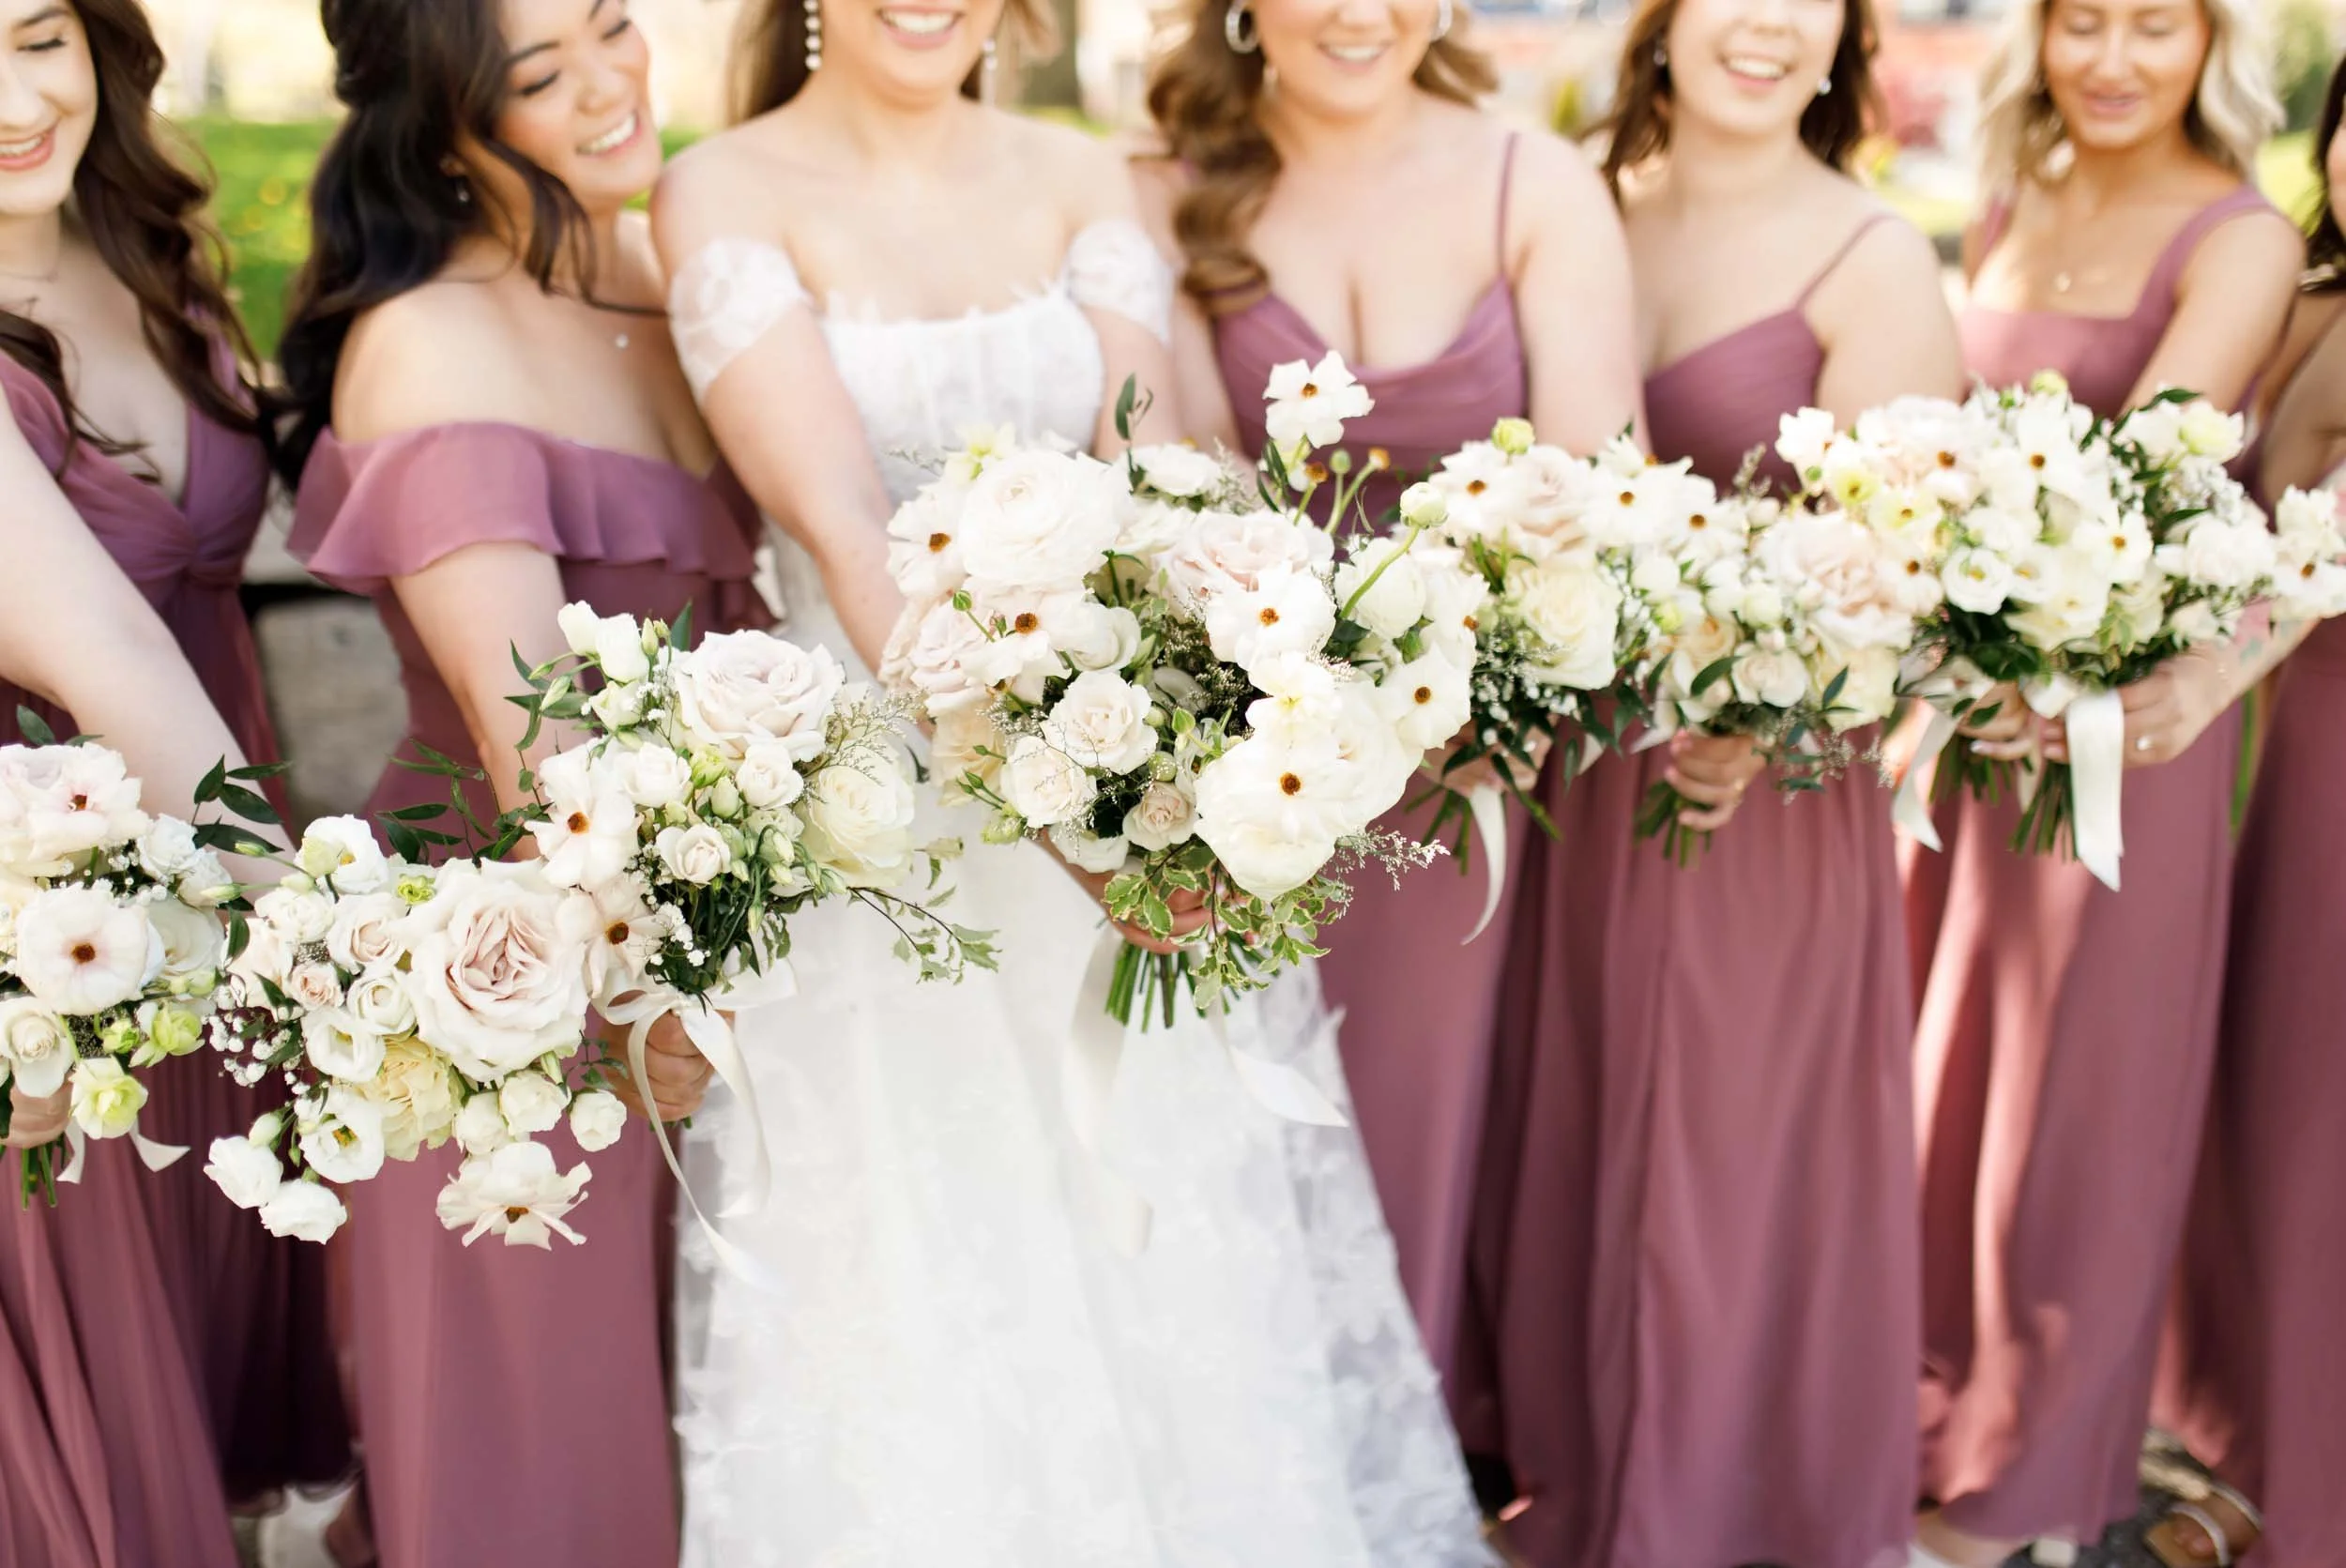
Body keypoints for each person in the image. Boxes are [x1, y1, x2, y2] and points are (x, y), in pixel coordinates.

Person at [649, 0, 1491, 1560]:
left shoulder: (1078, 175)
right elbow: (841, 530)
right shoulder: (722, 190)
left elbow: (1164, 473)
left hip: (1122, 786)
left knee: (1174, 1234)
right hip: (881, 837)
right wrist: (1066, 823)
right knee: (914, 1260)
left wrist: (1225, 759)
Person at [1465, 0, 1964, 1561]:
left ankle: (1738, 1511)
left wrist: (1771, 704)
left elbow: (1907, 573)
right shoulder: (1564, 208)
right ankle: (1571, 1470)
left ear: (1844, 40)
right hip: (1569, 778)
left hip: (1750, 793)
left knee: (1727, 1159)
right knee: (1571, 1123)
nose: (1762, 21)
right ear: (1658, 22)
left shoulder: (1873, 259)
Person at [276, 0, 751, 1561]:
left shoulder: (657, 272)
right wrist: (649, 989)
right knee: (548, 1476)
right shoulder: (430, 342)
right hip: (519, 976)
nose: (614, 83)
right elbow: (533, 733)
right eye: (543, 75)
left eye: (616, 25)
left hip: (710, 924)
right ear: (438, 125)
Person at [1136, 0, 1638, 1468]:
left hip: (1470, 761)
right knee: (1237, 1147)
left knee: (1419, 1128)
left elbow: (1595, 478)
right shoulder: (1161, 190)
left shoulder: (1531, 184)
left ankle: (1403, 1475)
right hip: (1237, 756)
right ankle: (1241, 1479)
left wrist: (1494, 677)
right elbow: (1171, 477)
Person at [1899, 0, 2299, 1560]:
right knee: (1943, 1065)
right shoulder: (2012, 197)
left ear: (2214, 49)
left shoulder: (2241, 237)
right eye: (2083, 22)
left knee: (2083, 1095)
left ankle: (2037, 1474)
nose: (2116, 59)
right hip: (1961, 711)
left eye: (2157, 26)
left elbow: (2149, 465)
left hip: (2116, 728)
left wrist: (2012, 631)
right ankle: (1922, 1405)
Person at [0, 1, 346, 1559]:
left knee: (205, 1389)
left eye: (36, 36)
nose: (16, 99)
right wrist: (338, 952)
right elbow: (118, 676)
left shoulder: (149, 247)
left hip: (220, 878)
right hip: (71, 950)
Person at [2154, 53, 2346, 1568]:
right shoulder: (2308, 303)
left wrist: (2211, 677)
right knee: (2264, 1105)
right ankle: (2267, 1454)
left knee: (2317, 1113)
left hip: (2315, 733)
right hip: (2287, 755)